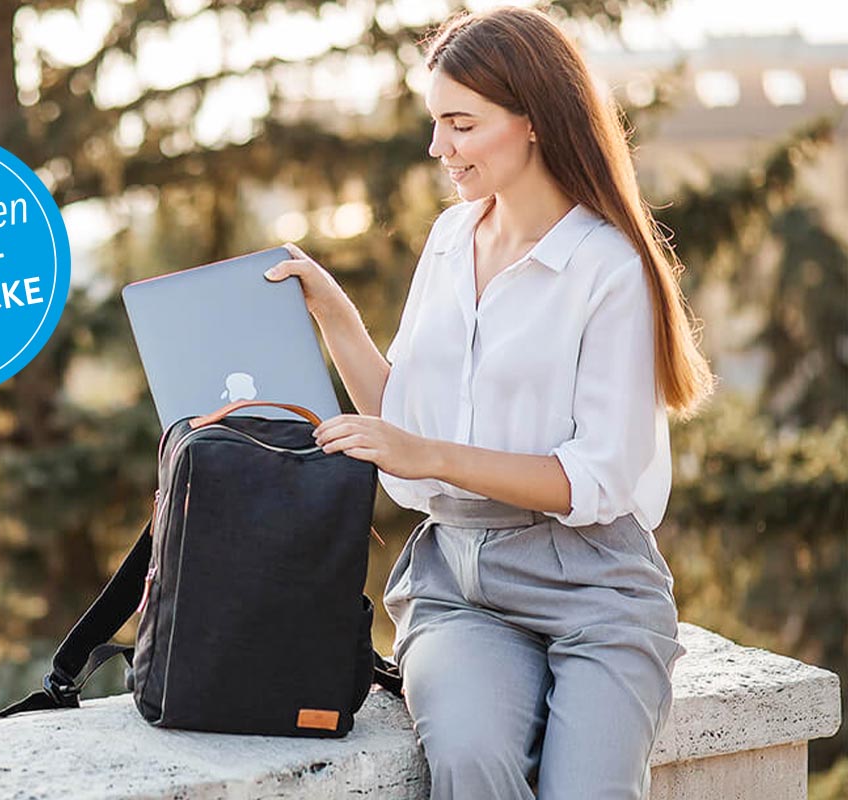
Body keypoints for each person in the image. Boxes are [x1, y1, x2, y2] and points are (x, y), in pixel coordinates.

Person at [264, 5, 716, 799]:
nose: (439, 147)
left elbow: (596, 479)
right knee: (472, 762)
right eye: (436, 123)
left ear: (533, 121)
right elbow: (404, 423)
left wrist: (430, 456)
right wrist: (331, 310)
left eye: (461, 124)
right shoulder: (449, 241)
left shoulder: (608, 270)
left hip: (596, 585)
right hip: (459, 584)